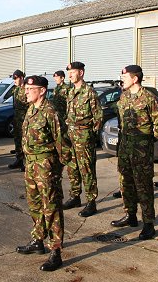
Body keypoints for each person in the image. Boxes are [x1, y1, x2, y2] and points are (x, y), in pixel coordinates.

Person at [16, 75, 72, 272]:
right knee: (35, 204)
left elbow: (62, 142)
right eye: (26, 89)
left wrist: (57, 168)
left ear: (42, 91)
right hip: (31, 165)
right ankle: (38, 239)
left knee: (52, 207)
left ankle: (55, 251)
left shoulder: (50, 111)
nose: (26, 92)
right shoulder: (31, 109)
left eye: (31, 89)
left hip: (46, 165)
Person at [110, 65, 158, 240]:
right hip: (125, 147)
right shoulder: (124, 96)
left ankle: (149, 223)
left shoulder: (149, 98)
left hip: (141, 150)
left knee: (144, 186)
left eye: (125, 77)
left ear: (135, 79)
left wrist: (147, 142)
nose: (122, 80)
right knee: (125, 183)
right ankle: (131, 215)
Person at [63, 61, 103, 217]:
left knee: (86, 169)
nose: (70, 75)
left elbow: (98, 117)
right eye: (69, 72)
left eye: (73, 72)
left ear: (81, 73)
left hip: (84, 136)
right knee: (72, 168)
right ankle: (75, 196)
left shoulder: (89, 92)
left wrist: (90, 136)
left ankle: (91, 202)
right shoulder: (71, 92)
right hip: (71, 135)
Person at [8, 69, 28, 171]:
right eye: (13, 78)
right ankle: (19, 160)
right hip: (17, 118)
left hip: (24, 118)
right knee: (17, 140)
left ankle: (26, 163)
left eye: (16, 78)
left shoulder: (26, 89)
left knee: (25, 141)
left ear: (21, 78)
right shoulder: (16, 90)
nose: (14, 80)